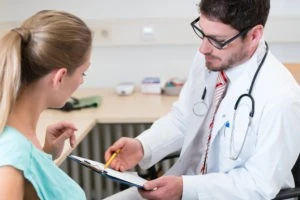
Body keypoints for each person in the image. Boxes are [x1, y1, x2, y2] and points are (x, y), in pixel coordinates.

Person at [104, 0, 300, 199]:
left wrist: (186, 189)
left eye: (217, 39)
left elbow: (259, 184)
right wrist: (143, 146)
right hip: (187, 184)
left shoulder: (281, 98)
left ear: (254, 35)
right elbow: (184, 118)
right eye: (203, 33)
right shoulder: (210, 59)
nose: (203, 48)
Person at [0, 10, 92, 199]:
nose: (82, 81)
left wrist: (45, 155)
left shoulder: (20, 138)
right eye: (83, 73)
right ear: (59, 77)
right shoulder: (12, 155)